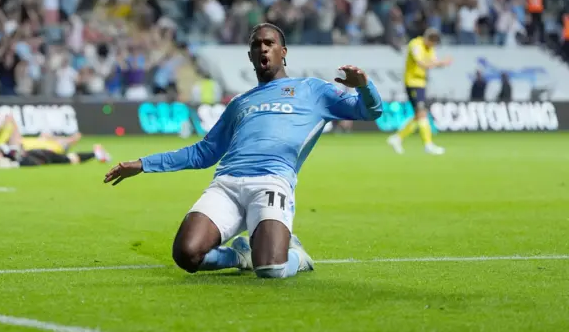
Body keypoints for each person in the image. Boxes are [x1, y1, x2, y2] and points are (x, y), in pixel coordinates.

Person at [103, 23, 383, 279]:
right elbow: (203, 152)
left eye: (269, 43)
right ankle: (240, 256)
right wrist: (143, 164)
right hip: (226, 185)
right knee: (187, 255)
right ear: (250, 56)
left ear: (283, 52)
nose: (262, 47)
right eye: (256, 44)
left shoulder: (312, 90)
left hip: (272, 181)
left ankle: (297, 256)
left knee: (272, 269)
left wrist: (365, 87)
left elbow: (371, 111)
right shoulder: (240, 103)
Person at [387, 28, 452, 155]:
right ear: (428, 39)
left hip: (421, 84)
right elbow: (421, 63)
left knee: (419, 115)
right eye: (432, 43)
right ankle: (428, 145)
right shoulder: (415, 44)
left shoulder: (430, 48)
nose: (432, 46)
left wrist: (441, 64)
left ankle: (397, 138)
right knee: (422, 113)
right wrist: (440, 62)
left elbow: (433, 62)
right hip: (412, 83)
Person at [0, 113, 86, 158]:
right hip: (20, 143)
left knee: (7, 119)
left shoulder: (55, 147)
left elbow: (75, 138)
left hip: (20, 146)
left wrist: (68, 139)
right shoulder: (49, 142)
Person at [0, 144, 110, 168]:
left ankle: (95, 153)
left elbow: (27, 161)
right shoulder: (6, 155)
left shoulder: (9, 154)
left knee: (70, 159)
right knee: (70, 158)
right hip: (40, 155)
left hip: (42, 155)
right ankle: (96, 153)